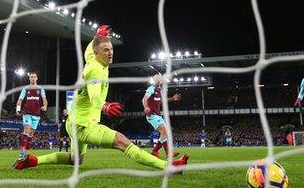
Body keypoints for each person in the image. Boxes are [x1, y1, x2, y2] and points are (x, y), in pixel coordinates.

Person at [13, 25, 189, 172]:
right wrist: (104, 106)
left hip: (74, 122)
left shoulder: (93, 56)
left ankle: (33, 160)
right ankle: (168, 166)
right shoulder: (96, 70)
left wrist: (98, 36)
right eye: (106, 50)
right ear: (98, 54)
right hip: (84, 126)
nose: (110, 53)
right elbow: (95, 96)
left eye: (111, 49)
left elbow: (90, 48)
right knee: (121, 141)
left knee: (76, 160)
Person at [142, 73, 181, 158]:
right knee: (164, 131)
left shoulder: (159, 90)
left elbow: (162, 100)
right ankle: (167, 152)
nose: (160, 79)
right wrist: (146, 107)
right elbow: (144, 99)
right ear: (155, 80)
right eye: (158, 78)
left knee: (166, 133)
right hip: (152, 115)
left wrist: (172, 99)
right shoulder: (151, 88)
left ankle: (155, 151)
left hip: (158, 115)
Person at [16, 70, 47, 159]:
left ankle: (25, 147)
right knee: (26, 130)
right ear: (29, 78)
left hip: (36, 114)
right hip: (27, 113)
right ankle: (22, 152)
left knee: (31, 133)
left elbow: (44, 99)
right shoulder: (25, 89)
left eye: (34, 77)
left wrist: (44, 106)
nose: (33, 78)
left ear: (37, 78)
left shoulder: (40, 89)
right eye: (31, 77)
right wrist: (18, 109)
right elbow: (20, 100)